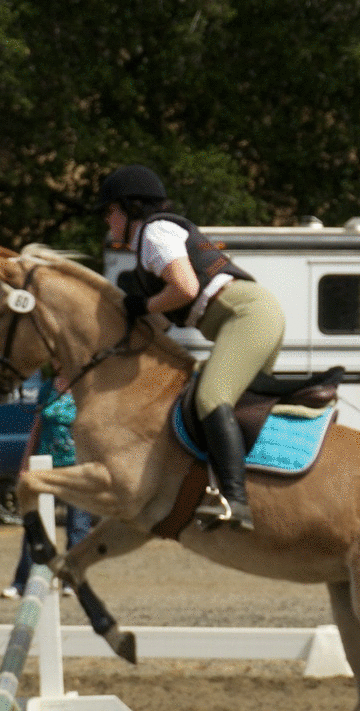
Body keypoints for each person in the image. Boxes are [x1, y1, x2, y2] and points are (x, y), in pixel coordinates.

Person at [99, 163, 285, 531]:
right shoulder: (149, 250)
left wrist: (144, 305)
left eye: (110, 212)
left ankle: (235, 501)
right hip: (253, 314)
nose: (107, 222)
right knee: (237, 409)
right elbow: (164, 323)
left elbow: (185, 288)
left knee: (210, 398)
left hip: (245, 315)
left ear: (131, 208)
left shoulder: (154, 233)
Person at [2, 371, 93, 598]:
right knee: (35, 523)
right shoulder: (47, 388)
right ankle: (22, 582)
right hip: (46, 465)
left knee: (78, 526)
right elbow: (37, 428)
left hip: (76, 467)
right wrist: (25, 464)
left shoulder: (87, 387)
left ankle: (72, 581)